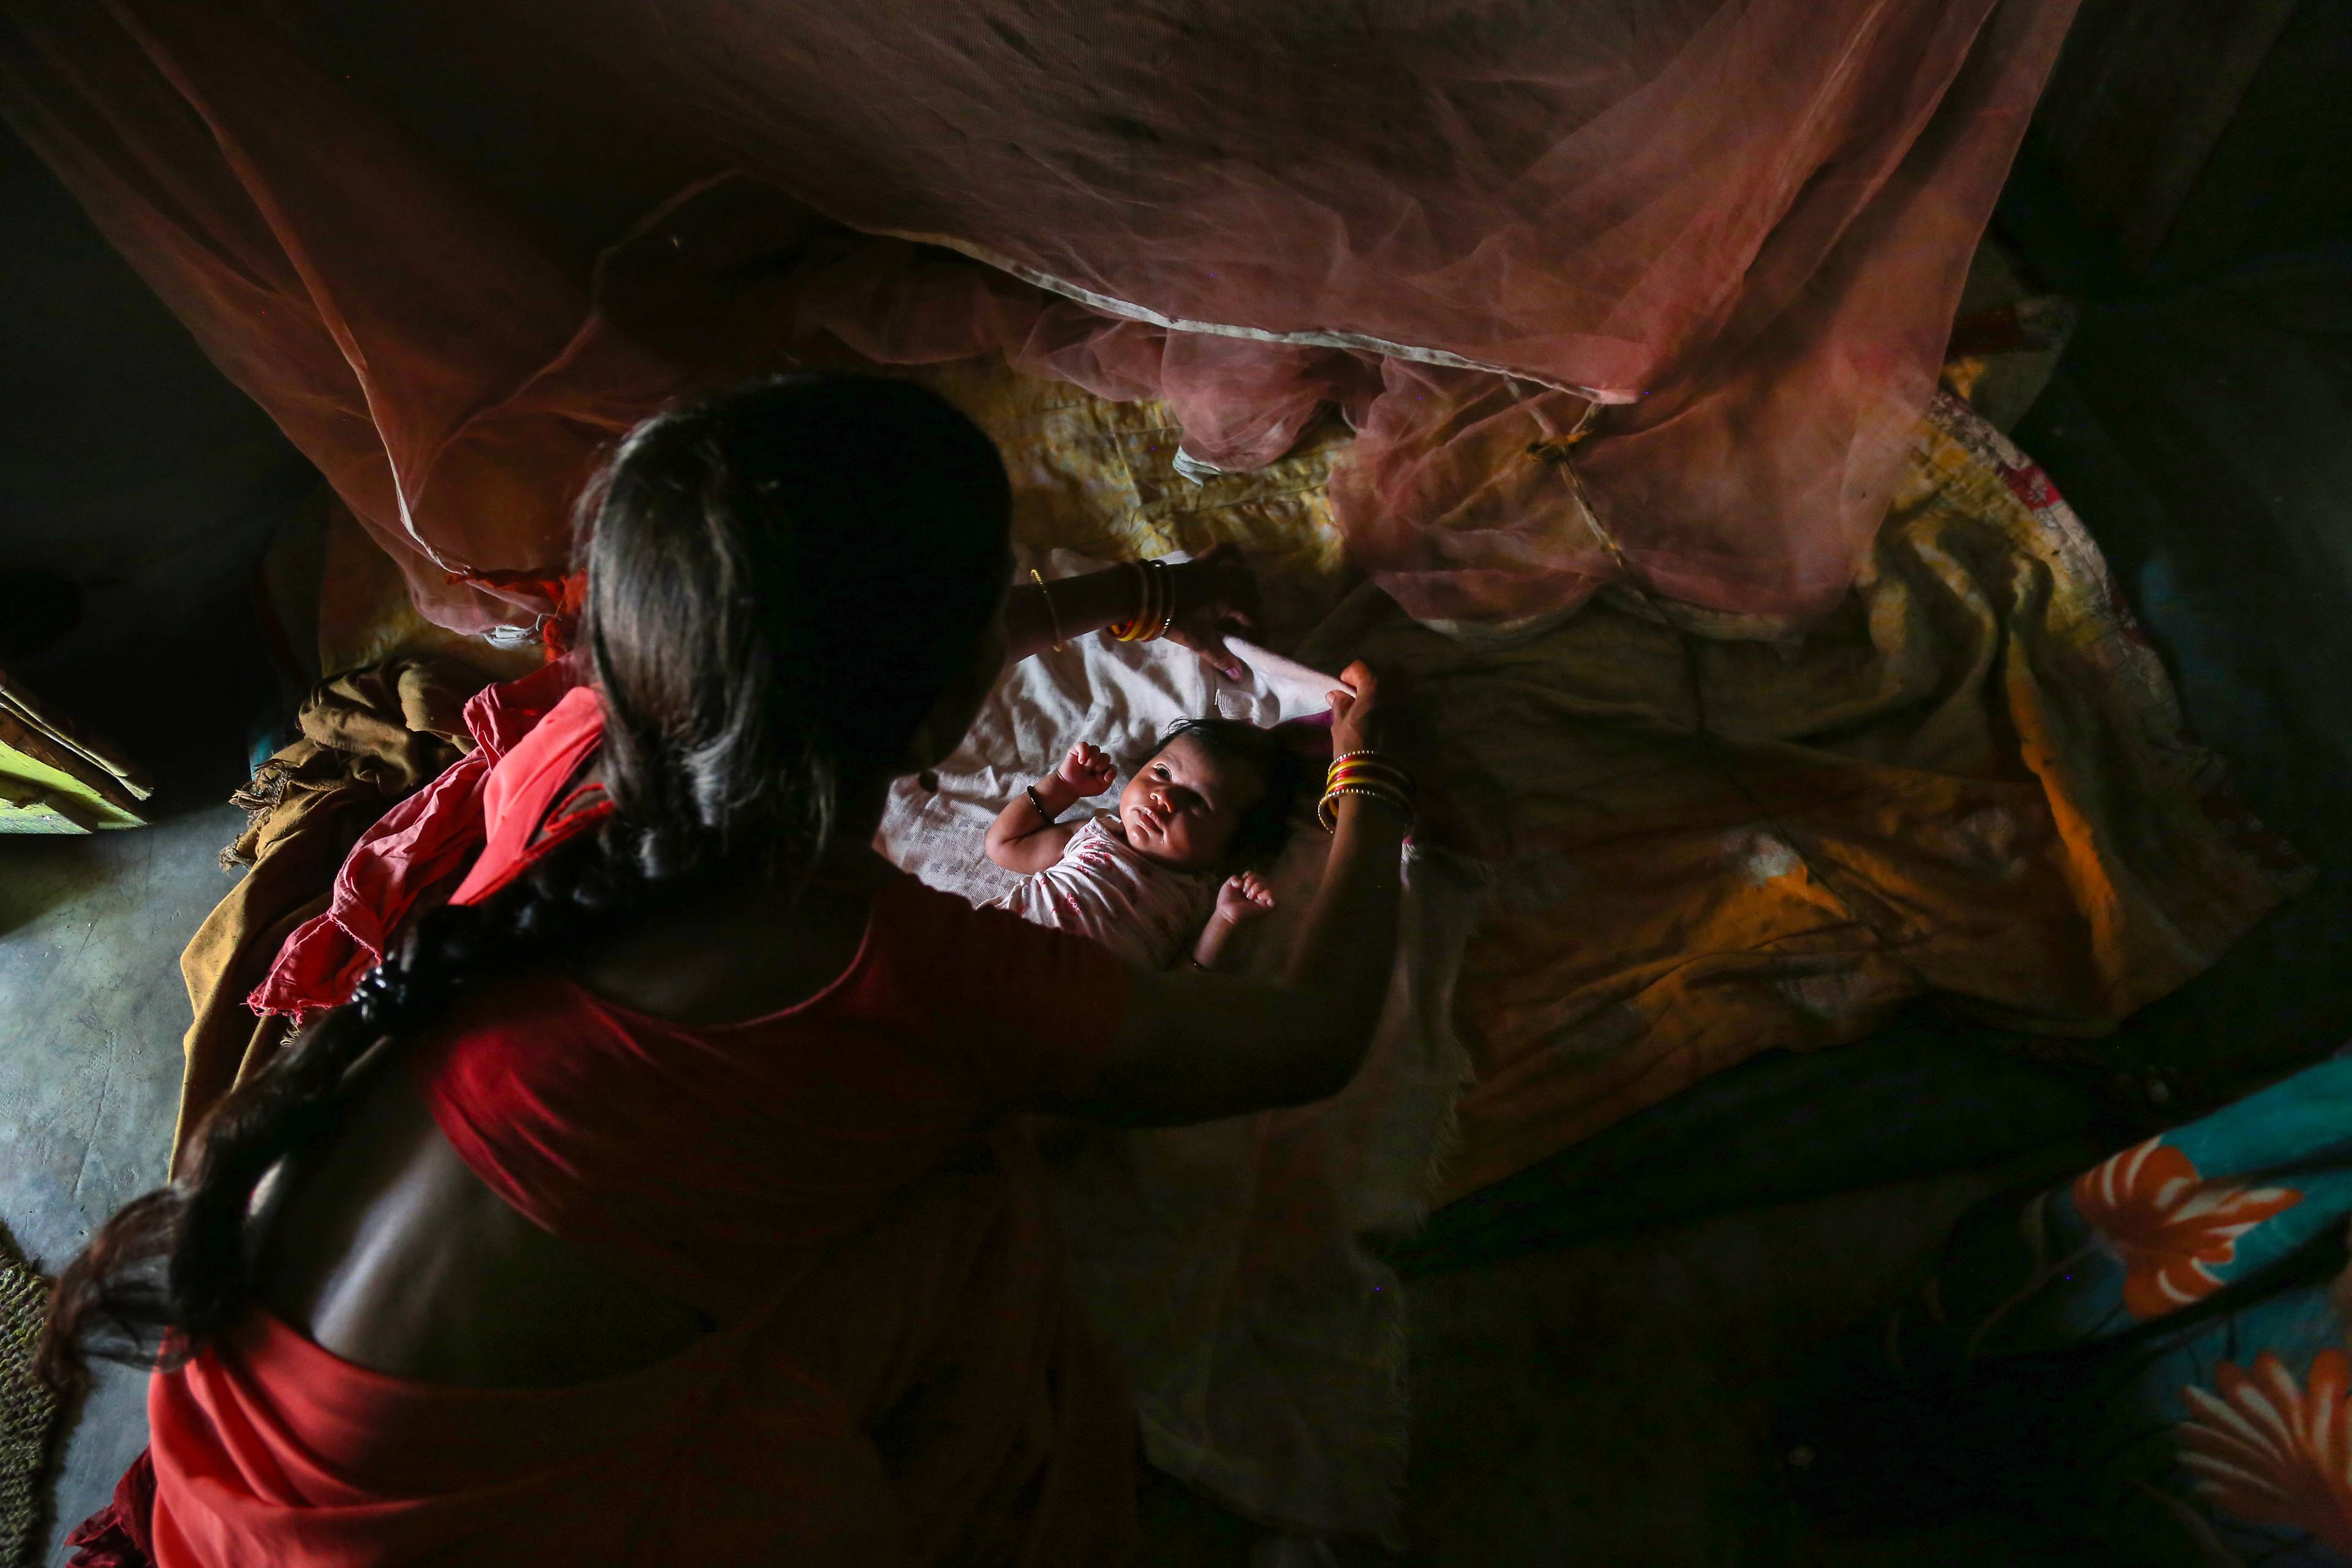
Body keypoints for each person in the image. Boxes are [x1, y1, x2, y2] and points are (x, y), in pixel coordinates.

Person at [39, 372, 1413, 1566]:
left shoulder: (580, 764)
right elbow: (1310, 1030)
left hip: (230, 1485)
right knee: (977, 1208)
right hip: (442, 1537)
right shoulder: (890, 967)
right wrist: (1369, 773)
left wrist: (1143, 594)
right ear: (946, 704)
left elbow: (873, 647)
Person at [984, 719, 1307, 971]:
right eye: (1163, 772)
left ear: (1230, 845)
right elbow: (1005, 845)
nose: (1163, 796)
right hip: (990, 951)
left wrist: (1226, 921)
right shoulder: (1097, 834)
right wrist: (1063, 787)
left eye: (1196, 800)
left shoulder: (1201, 898)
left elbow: (1186, 983)